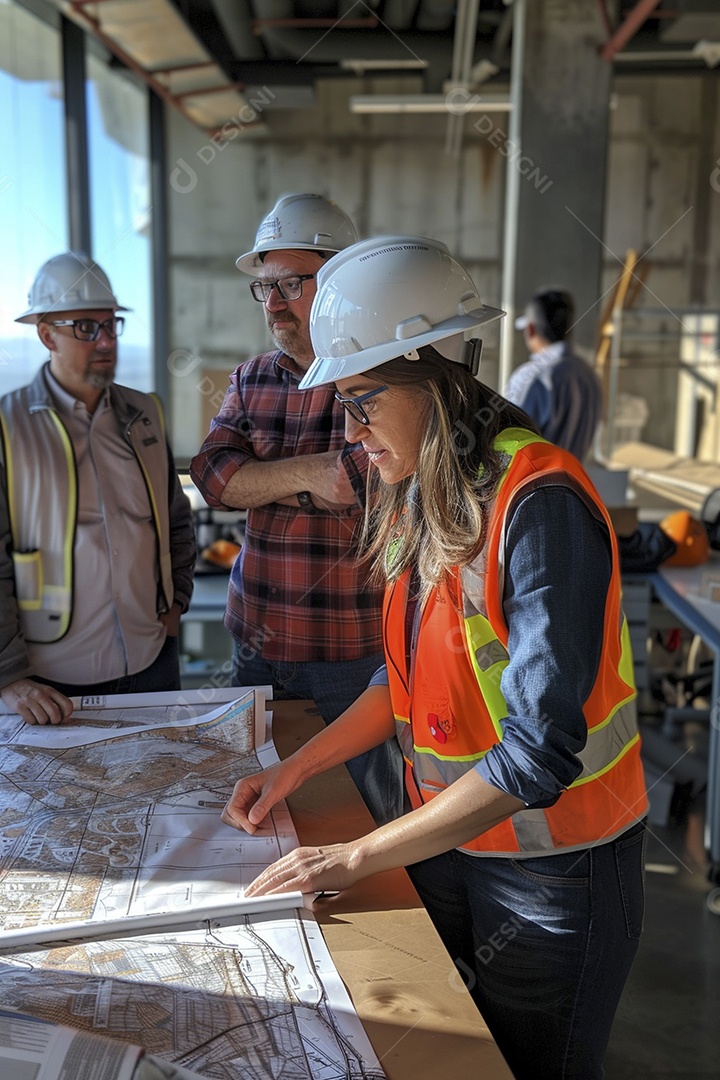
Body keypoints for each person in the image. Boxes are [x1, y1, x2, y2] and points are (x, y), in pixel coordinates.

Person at [220, 237, 649, 1080]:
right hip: (457, 849)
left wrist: (351, 859)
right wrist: (296, 767)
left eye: (364, 401)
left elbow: (537, 754)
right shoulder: (429, 486)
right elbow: (404, 679)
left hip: (554, 874)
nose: (352, 432)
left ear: (434, 370)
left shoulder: (536, 502)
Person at [190, 194, 402, 826]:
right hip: (257, 639)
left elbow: (365, 482)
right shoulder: (252, 377)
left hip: (352, 647)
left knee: (371, 807)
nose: (275, 303)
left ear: (340, 279)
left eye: (291, 284)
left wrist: (265, 479)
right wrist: (310, 474)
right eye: (265, 287)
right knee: (254, 798)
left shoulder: (382, 371)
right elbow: (212, 477)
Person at [0, 252, 196, 725]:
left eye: (111, 325)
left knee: (164, 788)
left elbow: (173, 516)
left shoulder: (143, 413)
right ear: (47, 334)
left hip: (153, 662)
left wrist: (179, 599)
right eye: (87, 328)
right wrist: (8, 673)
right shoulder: (8, 427)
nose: (106, 341)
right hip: (53, 681)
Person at [504, 287, 602, 461]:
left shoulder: (530, 377)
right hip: (575, 483)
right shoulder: (589, 375)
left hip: (533, 483)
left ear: (531, 330)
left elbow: (509, 444)